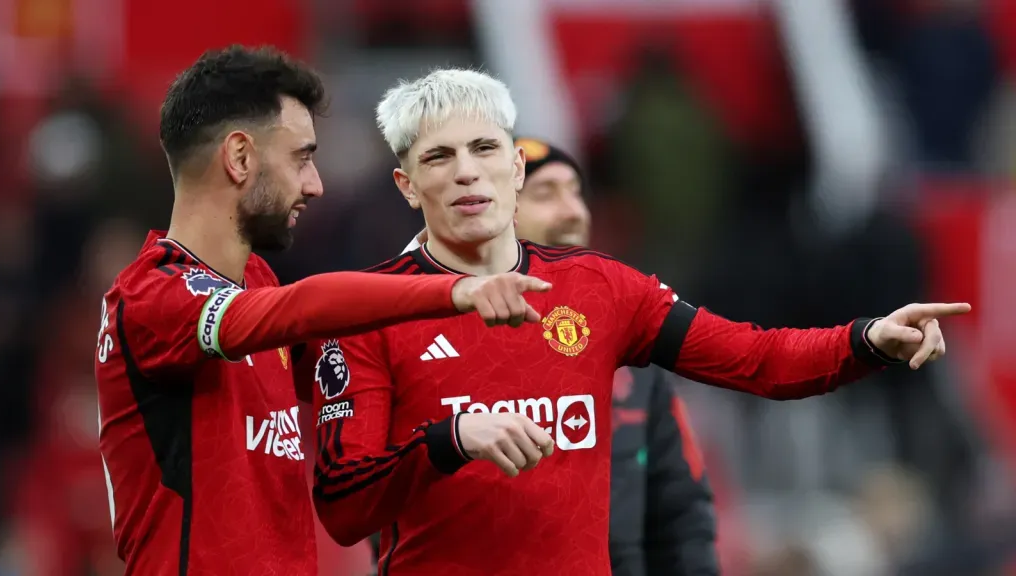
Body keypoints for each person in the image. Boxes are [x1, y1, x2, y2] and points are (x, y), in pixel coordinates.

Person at [300, 68, 968, 575]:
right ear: (407, 186)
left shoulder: (600, 288)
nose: (467, 173)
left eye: (482, 149)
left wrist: (867, 339)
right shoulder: (365, 314)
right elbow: (343, 506)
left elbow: (753, 358)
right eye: (439, 158)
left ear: (514, 165)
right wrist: (450, 440)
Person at [94, 49, 552, 576]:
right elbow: (305, 307)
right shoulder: (155, 297)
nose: (315, 183)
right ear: (240, 157)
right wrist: (449, 286)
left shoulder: (258, 285)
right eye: (301, 157)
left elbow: (363, 363)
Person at [513, 137, 718, 575]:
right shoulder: (445, 343)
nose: (574, 212)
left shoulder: (634, 354)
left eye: (575, 192)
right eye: (544, 194)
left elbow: (683, 517)